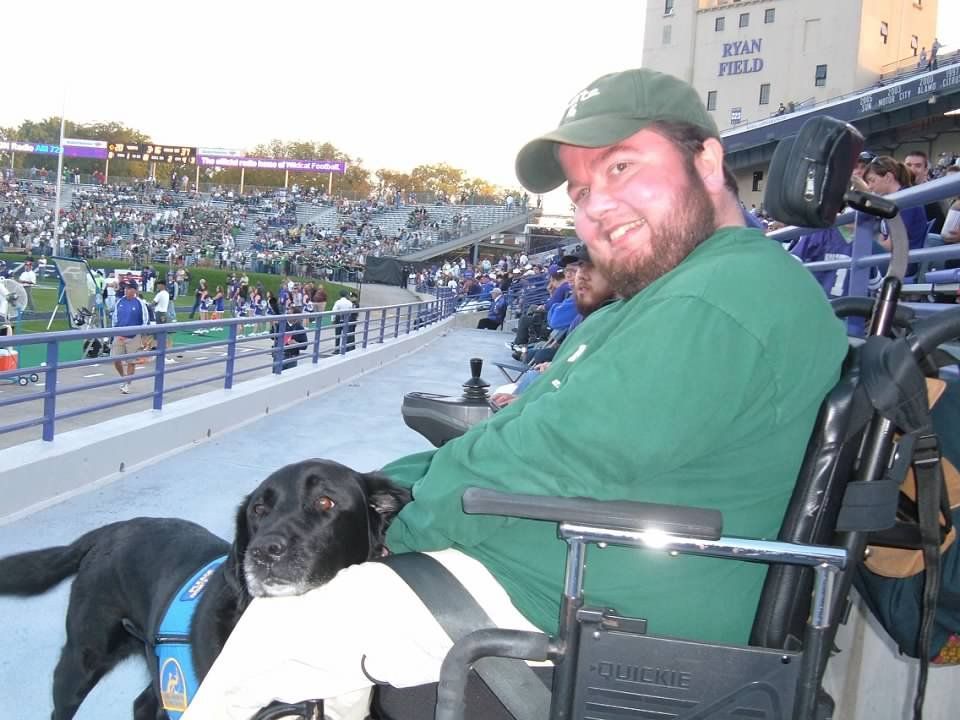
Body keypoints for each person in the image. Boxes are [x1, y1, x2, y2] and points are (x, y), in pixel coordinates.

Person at [182, 68, 848, 719]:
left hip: (598, 616)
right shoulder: (660, 298)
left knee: (274, 634)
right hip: (553, 575)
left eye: (620, 168)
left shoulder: (724, 296)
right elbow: (518, 431)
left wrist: (402, 525)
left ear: (706, 160)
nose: (598, 206)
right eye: (581, 191)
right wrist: (376, 487)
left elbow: (556, 454)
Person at [111, 280, 149, 394]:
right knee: (115, 359)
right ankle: (124, 377)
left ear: (134, 290)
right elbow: (115, 318)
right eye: (125, 288)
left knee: (131, 362)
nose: (126, 290)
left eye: (129, 288)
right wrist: (115, 333)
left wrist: (142, 335)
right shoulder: (120, 302)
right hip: (119, 335)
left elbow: (145, 320)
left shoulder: (140, 303)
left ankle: (127, 383)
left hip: (133, 337)